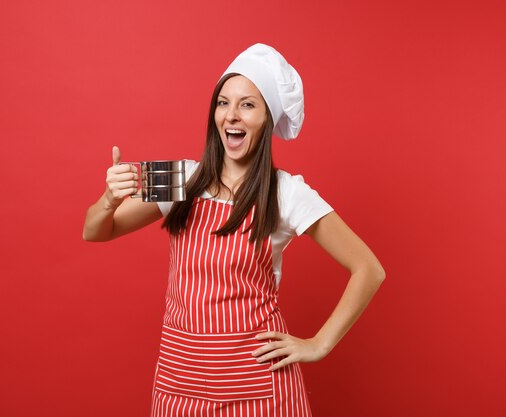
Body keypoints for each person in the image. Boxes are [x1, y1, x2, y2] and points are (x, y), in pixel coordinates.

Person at [82, 43, 385, 417]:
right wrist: (109, 199)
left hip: (257, 388)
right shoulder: (181, 176)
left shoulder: (286, 192)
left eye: (247, 104)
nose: (231, 116)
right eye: (223, 102)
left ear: (268, 118)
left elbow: (369, 269)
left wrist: (319, 344)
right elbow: (95, 231)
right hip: (181, 384)